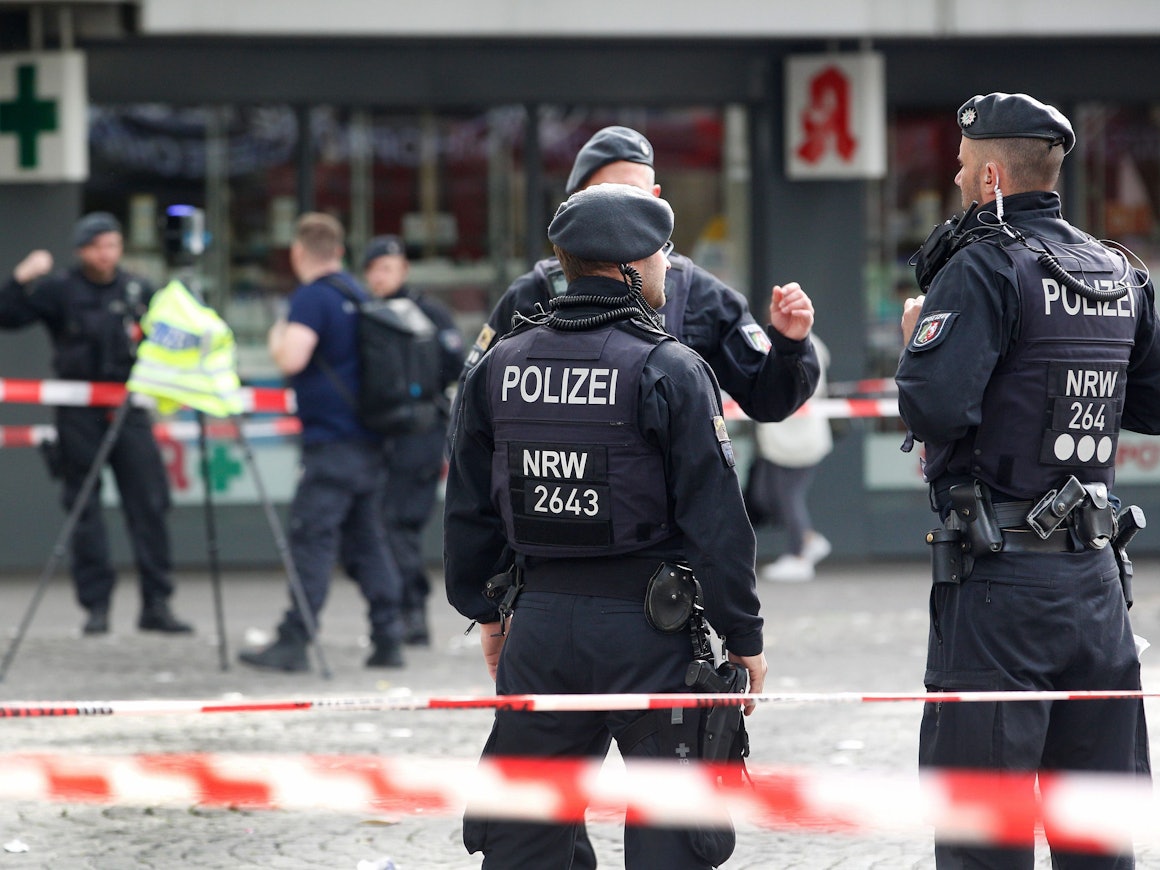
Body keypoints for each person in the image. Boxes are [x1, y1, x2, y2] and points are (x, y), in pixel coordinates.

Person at [445, 182, 770, 869]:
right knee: (674, 839)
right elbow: (716, 520)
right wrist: (744, 637)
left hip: (538, 629)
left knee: (524, 838)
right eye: (661, 254)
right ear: (631, 267)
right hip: (647, 632)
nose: (667, 267)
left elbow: (470, 508)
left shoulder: (501, 364)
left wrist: (490, 615)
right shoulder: (670, 367)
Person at [896, 92, 1160, 869]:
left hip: (999, 584)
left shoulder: (983, 266)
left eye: (960, 164)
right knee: (1097, 835)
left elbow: (936, 406)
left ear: (988, 180)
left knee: (986, 835)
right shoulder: (1116, 270)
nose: (952, 174)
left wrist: (919, 342)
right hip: (1097, 587)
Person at [461, 124, 820, 425]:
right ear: (576, 202)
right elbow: (471, 414)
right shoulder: (534, 293)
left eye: (633, 195)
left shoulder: (701, 296)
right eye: (604, 197)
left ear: (656, 199)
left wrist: (790, 347)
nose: (621, 214)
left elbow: (767, 400)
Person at [0, 212, 192, 636]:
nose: (107, 255)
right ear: (81, 250)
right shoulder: (60, 289)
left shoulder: (139, 288)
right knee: (84, 509)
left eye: (114, 246)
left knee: (150, 504)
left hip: (129, 408)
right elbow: (6, 316)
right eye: (99, 247)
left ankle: (156, 604)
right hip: (77, 412)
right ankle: (97, 606)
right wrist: (22, 277)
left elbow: (175, 335)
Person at [238, 213, 406, 672]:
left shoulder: (312, 298)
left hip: (332, 443)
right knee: (367, 540)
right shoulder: (355, 292)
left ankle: (295, 641)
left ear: (298, 253)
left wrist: (276, 335)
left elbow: (292, 356)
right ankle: (388, 637)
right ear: (339, 251)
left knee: (311, 538)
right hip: (368, 440)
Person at [362, 235, 465, 645]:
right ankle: (395, 612)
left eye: (389, 267)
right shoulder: (366, 313)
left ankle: (411, 613)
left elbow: (457, 364)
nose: (381, 276)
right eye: (374, 268)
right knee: (379, 526)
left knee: (396, 524)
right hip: (378, 437)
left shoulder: (428, 313)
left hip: (419, 435)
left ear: (404, 269)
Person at [754, 333, 832, 582]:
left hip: (800, 438)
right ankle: (808, 540)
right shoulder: (767, 343)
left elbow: (808, 387)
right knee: (766, 496)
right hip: (780, 437)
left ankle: (799, 555)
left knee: (788, 497)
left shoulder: (810, 346)